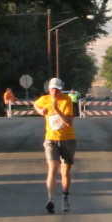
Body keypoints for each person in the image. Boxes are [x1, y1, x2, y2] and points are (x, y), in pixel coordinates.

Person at [33, 77, 77, 213]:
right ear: (49, 89)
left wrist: (57, 109)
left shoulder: (67, 100)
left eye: (57, 90)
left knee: (65, 171)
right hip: (50, 139)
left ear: (61, 90)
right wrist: (40, 111)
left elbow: (69, 122)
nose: (55, 92)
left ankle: (65, 197)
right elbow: (35, 104)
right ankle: (50, 200)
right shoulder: (44, 99)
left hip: (67, 139)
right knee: (52, 168)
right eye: (53, 89)